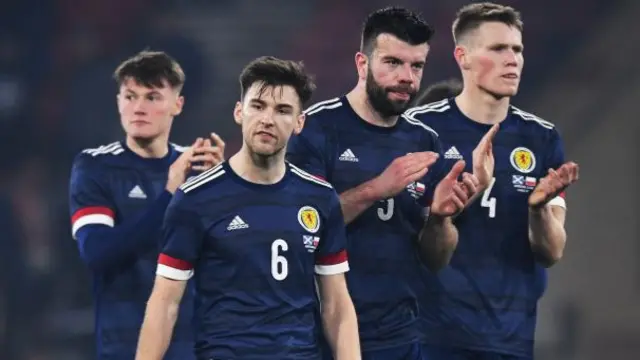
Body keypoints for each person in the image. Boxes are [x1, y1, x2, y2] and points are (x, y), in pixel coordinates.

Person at [287, 7, 496, 360]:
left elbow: (435, 259)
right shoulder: (316, 129)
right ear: (362, 63)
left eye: (416, 66)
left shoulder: (425, 142)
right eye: (393, 63)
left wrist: (441, 218)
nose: (406, 77)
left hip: (399, 335)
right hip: (318, 332)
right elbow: (298, 230)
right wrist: (376, 189)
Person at [135, 56, 360, 360]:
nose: (267, 119)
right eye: (258, 106)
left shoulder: (320, 198)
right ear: (239, 112)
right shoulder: (195, 198)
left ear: (299, 123)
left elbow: (336, 305)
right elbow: (164, 303)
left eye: (282, 110)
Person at [405, 3, 580, 360]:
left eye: (517, 50)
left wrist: (538, 210)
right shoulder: (420, 131)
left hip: (511, 338)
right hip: (432, 336)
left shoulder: (541, 138)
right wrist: (447, 210)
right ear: (463, 56)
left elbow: (552, 252)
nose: (512, 59)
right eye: (498, 49)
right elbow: (424, 253)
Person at [68, 50, 224, 359]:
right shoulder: (96, 167)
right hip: (124, 346)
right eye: (130, 96)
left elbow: (228, 262)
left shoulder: (198, 169)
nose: (138, 108)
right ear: (118, 102)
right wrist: (170, 195)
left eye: (152, 97)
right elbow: (97, 253)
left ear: (177, 105)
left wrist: (221, 192)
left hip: (193, 347)